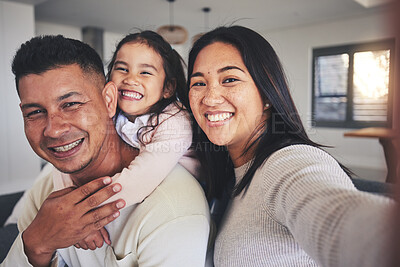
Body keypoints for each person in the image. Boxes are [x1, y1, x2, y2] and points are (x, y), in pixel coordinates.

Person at [187, 25, 395, 267]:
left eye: (230, 79)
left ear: (266, 94)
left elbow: (342, 220)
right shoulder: (228, 172)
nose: (210, 98)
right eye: (198, 83)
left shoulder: (288, 163)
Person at [1, 35, 210, 267]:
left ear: (109, 101)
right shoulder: (46, 192)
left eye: (71, 104)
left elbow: (145, 175)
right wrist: (34, 244)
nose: (54, 130)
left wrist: (86, 214)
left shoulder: (174, 210)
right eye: (35, 113)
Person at [76, 30, 201, 249]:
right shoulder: (111, 113)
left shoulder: (175, 120)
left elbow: (140, 180)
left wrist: (81, 215)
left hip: (182, 206)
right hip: (137, 195)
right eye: (122, 68)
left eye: (145, 73)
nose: (131, 79)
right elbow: (72, 160)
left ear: (168, 88)